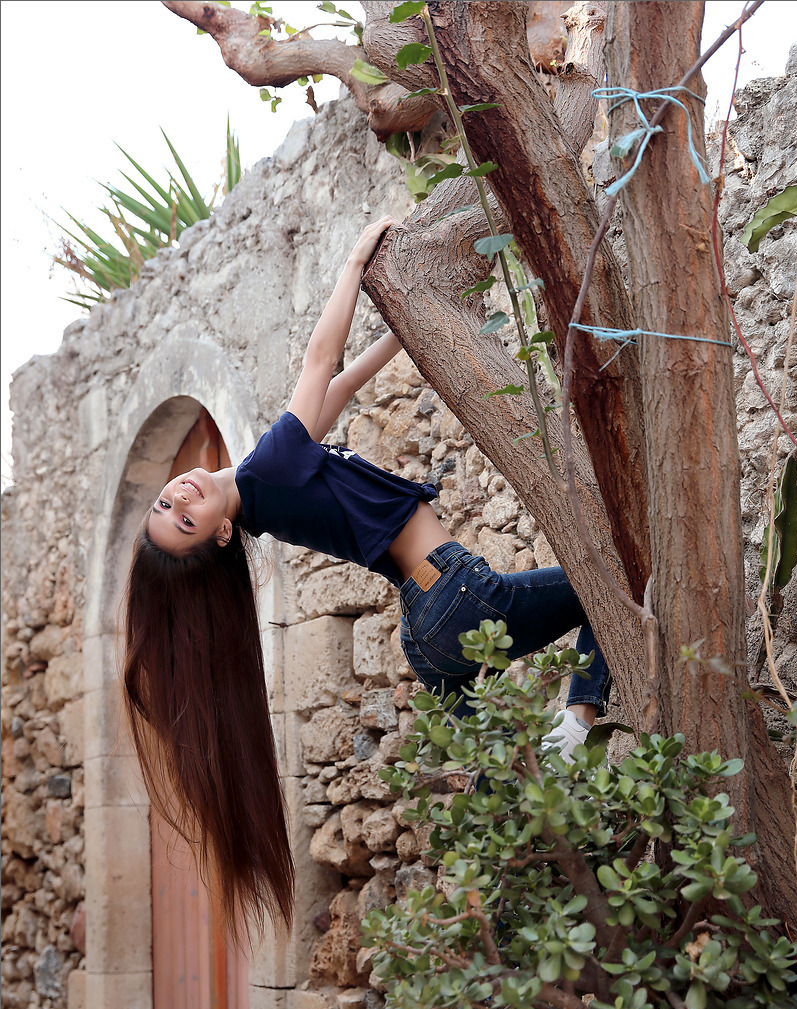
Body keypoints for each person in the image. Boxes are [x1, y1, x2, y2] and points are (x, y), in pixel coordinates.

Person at [122, 217, 611, 940]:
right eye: (184, 521)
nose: (180, 500)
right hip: (455, 596)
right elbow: (320, 361)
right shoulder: (266, 472)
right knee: (609, 584)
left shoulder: (266, 476)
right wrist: (353, 262)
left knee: (499, 788)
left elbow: (340, 385)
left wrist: (405, 330)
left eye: (167, 505)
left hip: (426, 634)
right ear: (220, 536)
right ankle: (578, 720)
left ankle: (499, 930)